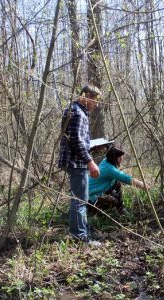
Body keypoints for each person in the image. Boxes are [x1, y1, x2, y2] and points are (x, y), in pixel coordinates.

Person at [58, 84, 102, 246]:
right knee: (80, 200)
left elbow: (78, 139)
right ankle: (80, 238)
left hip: (76, 161)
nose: (96, 104)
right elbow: (76, 141)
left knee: (80, 199)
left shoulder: (76, 110)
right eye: (95, 100)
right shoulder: (76, 112)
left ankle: (83, 232)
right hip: (76, 162)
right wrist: (90, 162)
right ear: (87, 96)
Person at [88, 147, 147, 214]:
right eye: (120, 157)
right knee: (114, 201)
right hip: (91, 196)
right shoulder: (109, 169)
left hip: (96, 190)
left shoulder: (106, 161)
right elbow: (125, 178)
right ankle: (93, 212)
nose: (122, 159)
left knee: (117, 183)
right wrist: (142, 185)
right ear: (114, 158)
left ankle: (121, 208)